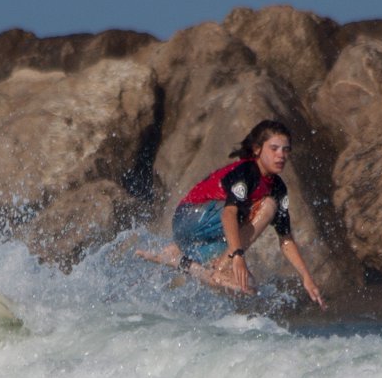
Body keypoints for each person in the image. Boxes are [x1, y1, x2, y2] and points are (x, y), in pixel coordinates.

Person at [137, 119, 326, 309]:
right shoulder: (246, 171)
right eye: (274, 148)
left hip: (209, 232)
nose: (281, 155)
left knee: (244, 287)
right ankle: (224, 263)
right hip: (190, 218)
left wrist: (306, 277)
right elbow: (229, 214)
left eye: (286, 150)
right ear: (257, 149)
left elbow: (285, 238)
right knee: (268, 205)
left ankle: (177, 259)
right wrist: (237, 255)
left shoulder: (278, 187)